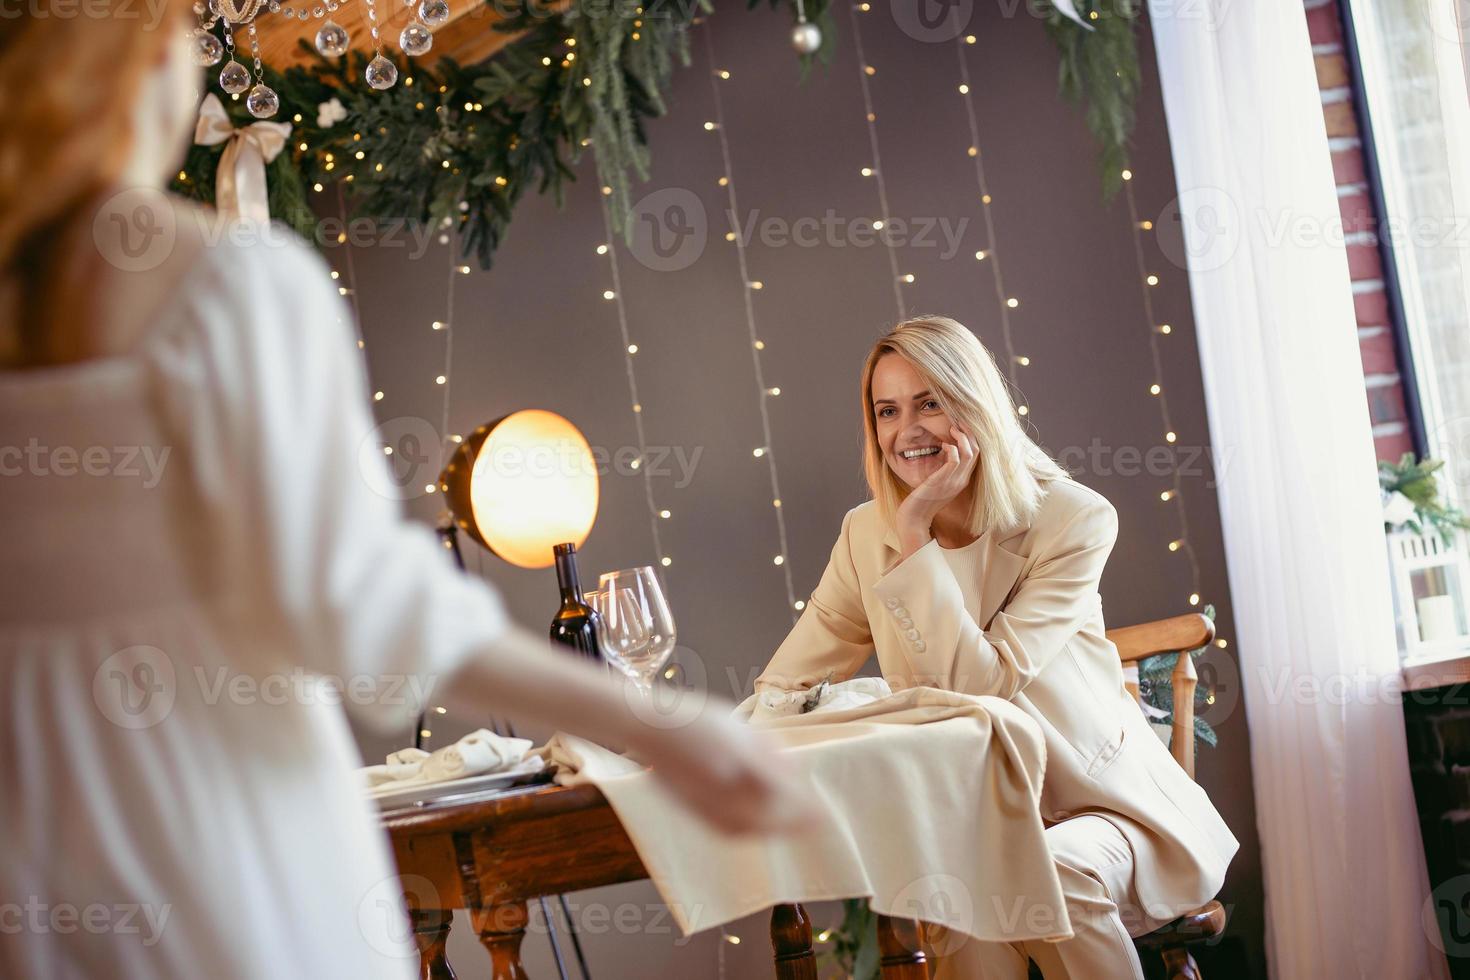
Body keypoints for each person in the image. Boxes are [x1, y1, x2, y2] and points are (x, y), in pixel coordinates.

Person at [0, 12, 815, 978]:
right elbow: (356, 606)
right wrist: (662, 730)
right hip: (212, 829)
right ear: (141, 62)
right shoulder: (224, 284)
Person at [754, 316, 1239, 979]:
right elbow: (787, 683)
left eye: (930, 402)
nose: (908, 430)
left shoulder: (1071, 519)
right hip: (975, 820)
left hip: (1098, 805)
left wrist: (917, 530)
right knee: (960, 900)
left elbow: (983, 685)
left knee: (1051, 875)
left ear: (973, 402)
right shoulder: (865, 534)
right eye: (887, 411)